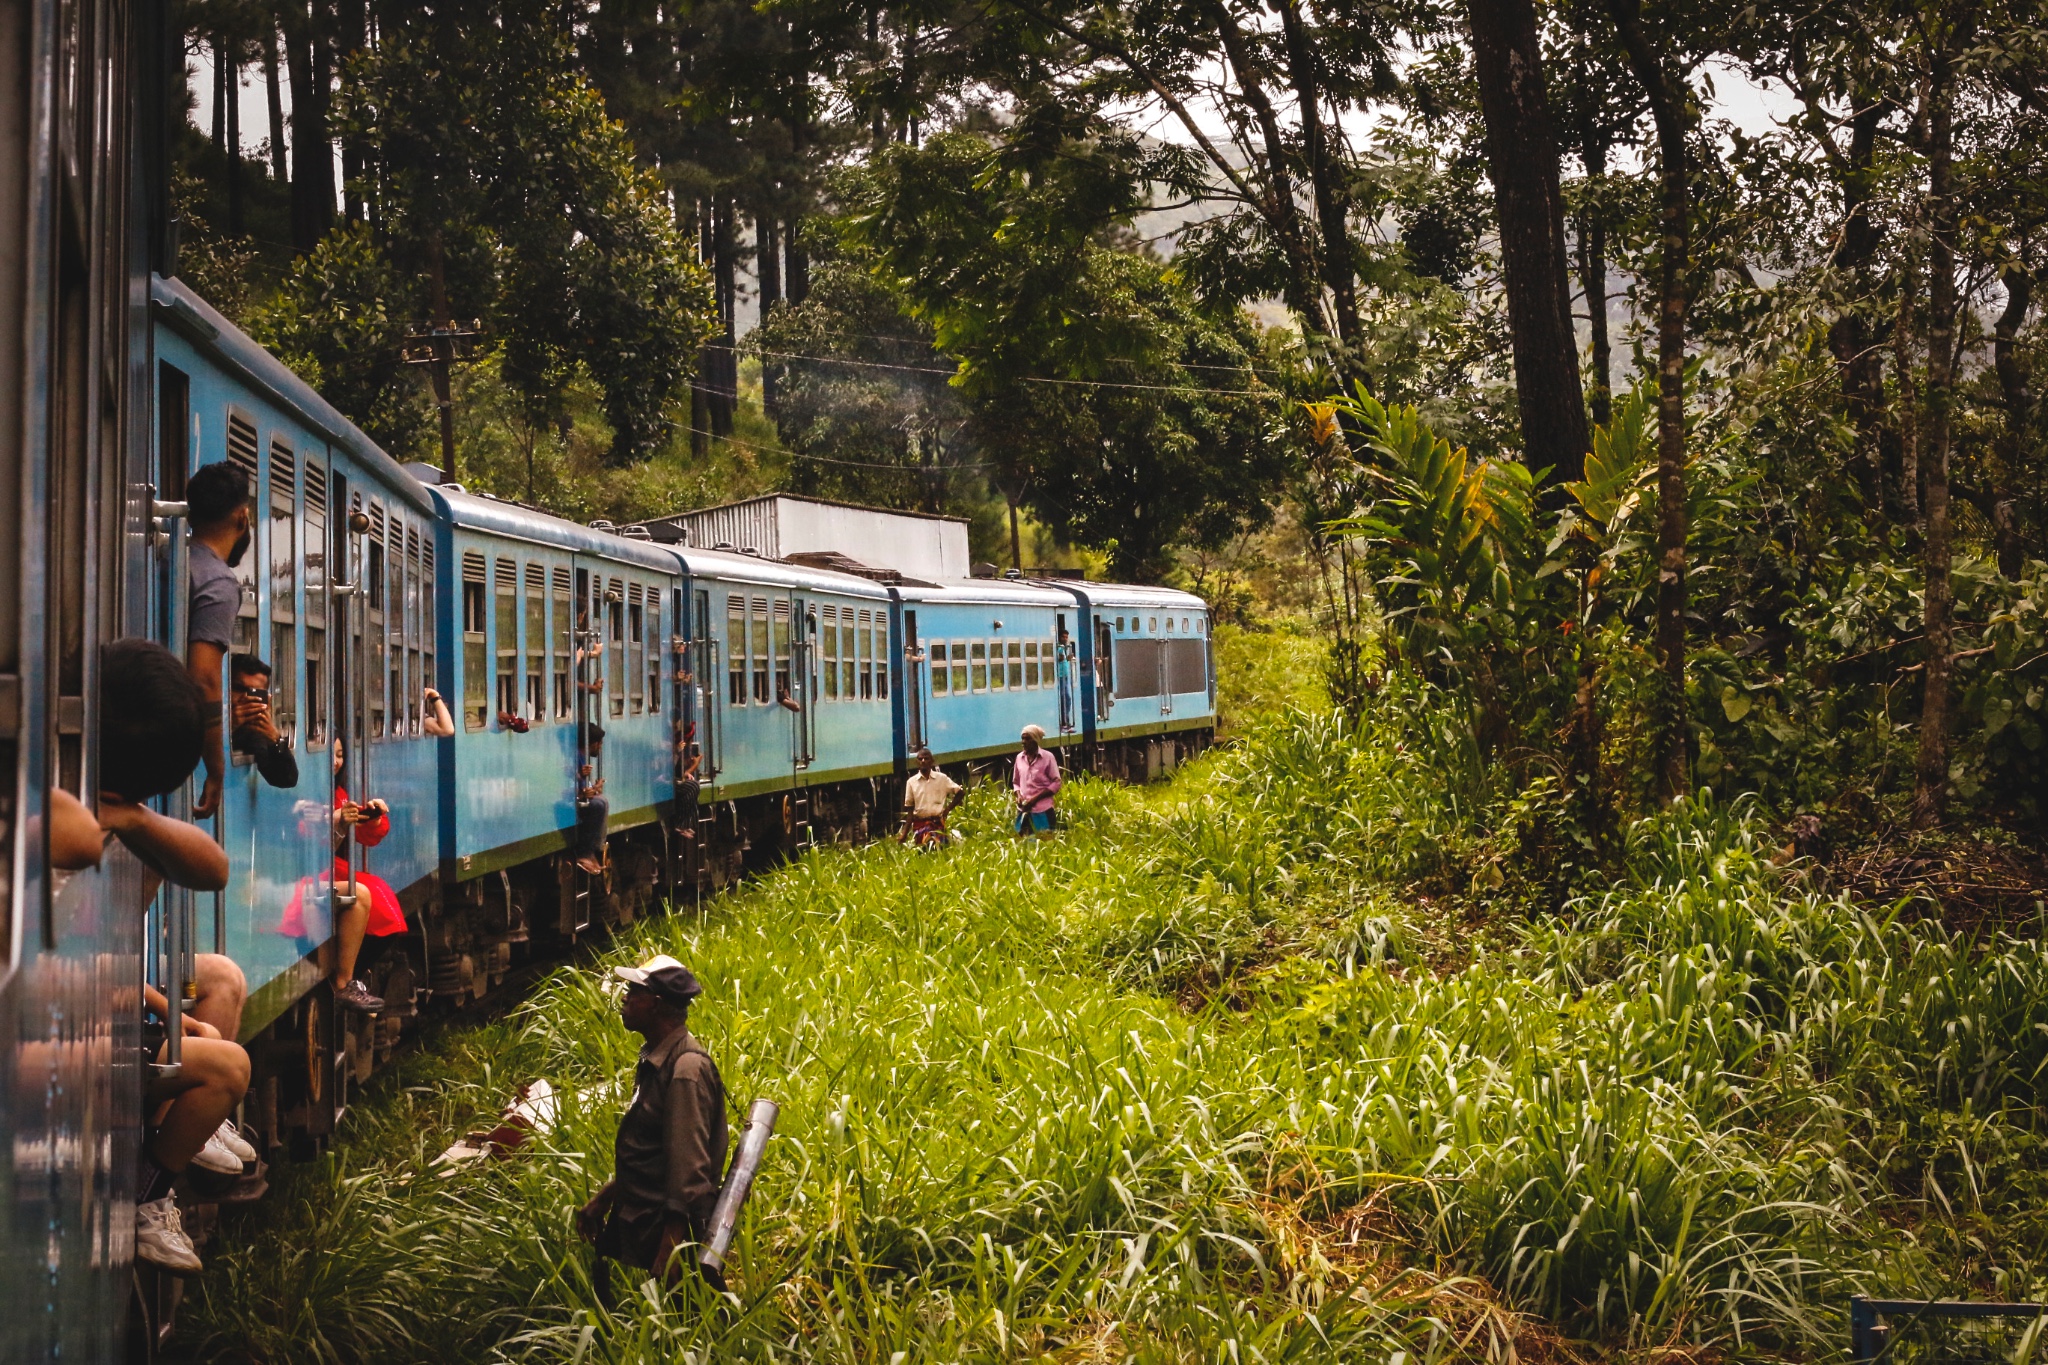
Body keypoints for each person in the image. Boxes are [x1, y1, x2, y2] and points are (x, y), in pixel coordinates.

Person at [63, 639, 253, 1273]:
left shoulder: (117, 813)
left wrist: (137, 822)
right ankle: (150, 1193)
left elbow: (213, 869)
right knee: (228, 1066)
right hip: (81, 1020)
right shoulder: (71, 815)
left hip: (109, 998)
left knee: (222, 980)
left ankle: (178, 1141)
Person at [576, 955, 727, 1295]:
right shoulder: (659, 1059)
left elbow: (687, 1168)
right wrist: (606, 1197)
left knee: (692, 1325)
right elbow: (657, 1149)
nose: (626, 998)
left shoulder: (685, 1069)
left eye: (634, 990)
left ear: (656, 1004)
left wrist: (672, 1246)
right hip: (653, 1225)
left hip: (674, 1234)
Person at [281, 740, 401, 1012]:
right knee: (366, 895)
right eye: (329, 754)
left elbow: (365, 835)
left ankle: (351, 977)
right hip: (300, 871)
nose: (335, 762)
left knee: (383, 900)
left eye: (340, 755)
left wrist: (373, 818)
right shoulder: (302, 797)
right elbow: (304, 838)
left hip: (324, 866)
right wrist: (335, 820)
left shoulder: (338, 792)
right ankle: (345, 980)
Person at [184, 462, 253, 819]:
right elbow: (204, 677)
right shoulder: (218, 582)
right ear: (242, 517)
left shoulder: (169, 559)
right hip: (164, 731)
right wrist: (215, 765)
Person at [230, 654, 298, 788]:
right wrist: (229, 725)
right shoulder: (210, 719)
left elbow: (287, 779)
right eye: (239, 689)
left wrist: (276, 738)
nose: (245, 697)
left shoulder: (254, 731)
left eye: (253, 693)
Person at [898, 747, 963, 850]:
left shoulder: (942, 778)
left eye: (926, 758)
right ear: (916, 762)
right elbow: (910, 811)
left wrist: (947, 810)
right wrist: (904, 834)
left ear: (932, 761)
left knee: (939, 847)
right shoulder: (911, 782)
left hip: (937, 823)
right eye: (920, 759)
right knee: (926, 845)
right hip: (920, 825)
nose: (923, 761)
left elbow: (960, 792)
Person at [571, 724, 608, 876]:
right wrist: (583, 793)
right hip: (571, 800)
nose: (600, 748)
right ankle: (586, 852)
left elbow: (584, 785)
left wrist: (594, 788)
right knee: (598, 805)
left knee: (601, 801)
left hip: (578, 797)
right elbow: (572, 783)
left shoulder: (581, 757)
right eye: (600, 744)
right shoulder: (575, 758)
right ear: (593, 744)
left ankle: (591, 852)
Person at [1011, 725, 1061, 839]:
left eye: (1027, 739)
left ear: (1035, 741)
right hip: (1024, 813)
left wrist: (1035, 799)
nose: (1023, 742)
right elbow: (1016, 782)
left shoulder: (1048, 758)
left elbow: (1056, 783)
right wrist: (1018, 795)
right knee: (1024, 846)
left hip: (1043, 812)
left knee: (1045, 844)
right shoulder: (1019, 758)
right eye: (1022, 738)